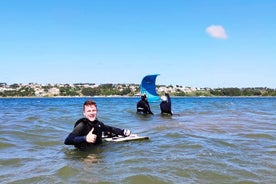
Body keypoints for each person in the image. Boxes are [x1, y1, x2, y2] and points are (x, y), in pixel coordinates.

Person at [64, 100, 131, 150]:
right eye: (89, 111)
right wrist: (85, 138)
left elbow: (110, 128)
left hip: (97, 148)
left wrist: (122, 132)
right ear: (84, 113)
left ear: (97, 111)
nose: (91, 113)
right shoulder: (82, 125)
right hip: (84, 153)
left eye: (93, 110)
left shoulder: (98, 124)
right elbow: (67, 140)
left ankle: (106, 134)